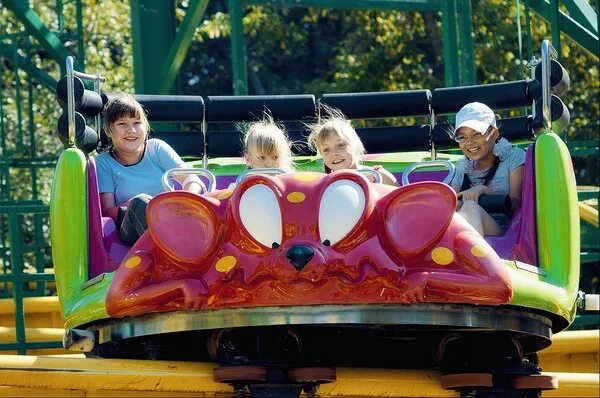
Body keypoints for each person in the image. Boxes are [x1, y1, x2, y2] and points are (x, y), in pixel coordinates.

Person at [96, 93, 203, 245]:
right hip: (131, 230)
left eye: (137, 122)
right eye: (122, 124)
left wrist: (185, 200)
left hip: (172, 219)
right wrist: (145, 205)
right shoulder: (103, 163)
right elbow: (107, 211)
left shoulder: (156, 148)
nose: (131, 130)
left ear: (145, 126)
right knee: (140, 203)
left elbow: (192, 180)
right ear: (108, 130)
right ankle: (173, 254)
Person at [450, 102, 526, 237]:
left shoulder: (513, 157)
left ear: (494, 133)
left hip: (506, 230)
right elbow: (449, 204)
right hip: (464, 228)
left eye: (476, 134)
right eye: (462, 137)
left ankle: (472, 256)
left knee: (470, 207)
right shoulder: (461, 168)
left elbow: (516, 204)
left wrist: (484, 191)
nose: (470, 142)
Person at [307, 106, 397, 186]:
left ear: (355, 145)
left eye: (340, 145)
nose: (333, 153)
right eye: (326, 149)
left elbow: (400, 203)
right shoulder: (323, 184)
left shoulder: (379, 177)